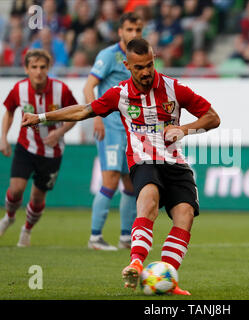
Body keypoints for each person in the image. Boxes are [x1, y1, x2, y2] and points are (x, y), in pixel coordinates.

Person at [22, 38, 221, 295]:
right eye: (139, 67)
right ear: (128, 65)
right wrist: (40, 118)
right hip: (143, 161)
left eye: (150, 64)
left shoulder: (174, 88)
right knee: (148, 202)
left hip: (175, 162)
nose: (147, 71)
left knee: (185, 216)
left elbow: (213, 118)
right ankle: (136, 263)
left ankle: (167, 278)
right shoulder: (120, 94)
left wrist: (183, 129)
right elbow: (83, 111)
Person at [0, 49, 77, 246]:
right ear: (26, 69)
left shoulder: (61, 89)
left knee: (36, 198)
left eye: (42, 67)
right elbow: (8, 112)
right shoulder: (19, 89)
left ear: (48, 68)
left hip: (52, 152)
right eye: (34, 67)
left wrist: (59, 132)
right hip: (26, 147)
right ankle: (8, 217)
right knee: (16, 190)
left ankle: (27, 230)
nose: (38, 71)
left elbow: (75, 114)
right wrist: (3, 138)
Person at [83, 12, 143, 251]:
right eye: (129, 30)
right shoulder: (109, 55)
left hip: (133, 131)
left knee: (130, 184)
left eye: (138, 30)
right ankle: (95, 238)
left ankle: (126, 236)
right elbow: (89, 86)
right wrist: (96, 117)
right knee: (110, 181)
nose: (134, 35)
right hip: (111, 128)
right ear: (120, 31)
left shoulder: (140, 56)